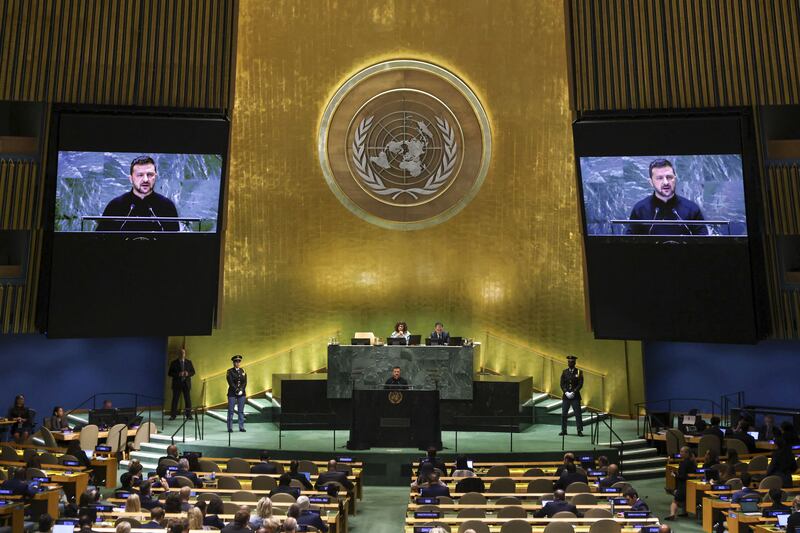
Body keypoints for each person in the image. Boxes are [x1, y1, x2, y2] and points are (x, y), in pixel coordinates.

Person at [96, 155, 179, 232]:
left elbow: (175, 240)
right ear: (131, 179)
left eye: (150, 175)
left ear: (155, 177)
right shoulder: (115, 206)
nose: (145, 180)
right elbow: (100, 238)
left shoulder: (167, 206)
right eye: (140, 175)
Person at [626, 158, 708, 236]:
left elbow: (703, 241)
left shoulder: (692, 209)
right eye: (659, 178)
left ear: (675, 179)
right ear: (651, 182)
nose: (666, 182)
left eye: (669, 177)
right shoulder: (640, 209)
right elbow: (628, 241)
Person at [666, 446, 696, 520]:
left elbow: (682, 476)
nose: (680, 453)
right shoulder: (693, 462)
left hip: (683, 485)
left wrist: (675, 475)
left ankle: (672, 514)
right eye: (680, 451)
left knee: (675, 501)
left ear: (687, 453)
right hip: (691, 484)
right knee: (685, 499)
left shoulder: (684, 463)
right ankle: (684, 512)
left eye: (682, 452)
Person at [559, 355, 584, 437]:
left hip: (575, 396)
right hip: (566, 396)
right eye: (569, 362)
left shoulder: (579, 372)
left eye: (572, 362)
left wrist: (573, 392)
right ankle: (564, 430)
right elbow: (562, 383)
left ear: (575, 363)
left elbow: (580, 384)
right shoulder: (564, 372)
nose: (570, 363)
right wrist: (566, 392)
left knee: (578, 414)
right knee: (564, 414)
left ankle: (579, 430)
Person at [168, 348, 196, 420]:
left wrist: (188, 373)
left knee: (188, 400)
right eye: (180, 353)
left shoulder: (189, 362)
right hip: (177, 384)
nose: (182, 354)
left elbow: (193, 372)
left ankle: (189, 415)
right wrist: (178, 374)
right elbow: (170, 373)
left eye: (183, 353)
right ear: (178, 354)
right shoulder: (174, 363)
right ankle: (173, 415)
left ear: (185, 354)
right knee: (175, 400)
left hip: (186, 384)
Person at [227, 355, 247, 432]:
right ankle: (230, 427)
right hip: (232, 392)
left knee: (241, 411)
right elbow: (230, 382)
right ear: (233, 363)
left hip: (242, 393)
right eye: (236, 362)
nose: (238, 363)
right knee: (231, 411)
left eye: (239, 361)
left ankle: (241, 427)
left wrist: (241, 389)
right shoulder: (230, 371)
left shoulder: (243, 371)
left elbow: (245, 382)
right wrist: (237, 390)